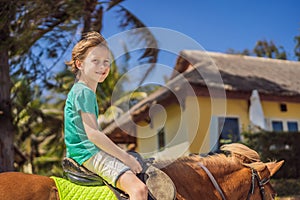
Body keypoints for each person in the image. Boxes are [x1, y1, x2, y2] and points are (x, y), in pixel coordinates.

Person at [64, 31, 148, 200]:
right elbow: (93, 134)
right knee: (139, 190)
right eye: (95, 61)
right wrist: (126, 158)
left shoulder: (81, 91)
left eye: (106, 62)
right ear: (79, 64)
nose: (102, 67)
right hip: (87, 154)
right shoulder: (84, 92)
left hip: (83, 152)